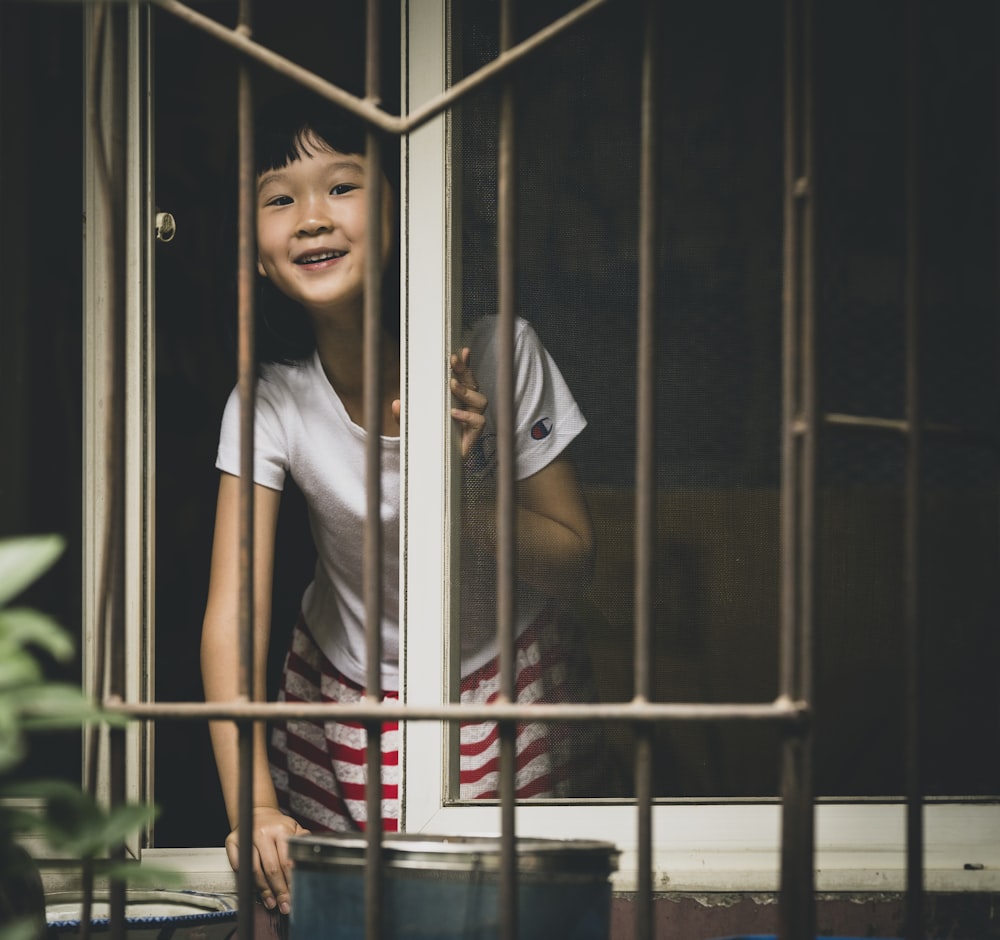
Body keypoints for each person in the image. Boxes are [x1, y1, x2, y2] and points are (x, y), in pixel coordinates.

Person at [200, 91, 596, 917]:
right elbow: (234, 614)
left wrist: (462, 488)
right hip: (337, 701)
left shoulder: (499, 351)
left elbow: (573, 562)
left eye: (341, 186)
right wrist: (255, 807)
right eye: (280, 199)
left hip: (502, 684)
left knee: (505, 917)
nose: (311, 217)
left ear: (405, 211)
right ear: (258, 256)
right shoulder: (270, 401)